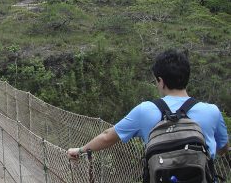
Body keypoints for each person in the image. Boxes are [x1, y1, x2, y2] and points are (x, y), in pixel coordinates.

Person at [66, 49, 228, 162]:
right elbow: (222, 148)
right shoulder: (212, 111)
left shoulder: (145, 110)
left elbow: (107, 136)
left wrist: (80, 151)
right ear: (187, 77)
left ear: (161, 81)